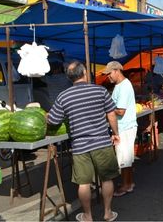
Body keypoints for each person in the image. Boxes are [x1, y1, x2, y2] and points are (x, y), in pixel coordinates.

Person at [47, 61, 119, 222]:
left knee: (84, 183)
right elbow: (111, 115)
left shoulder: (64, 96)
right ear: (85, 73)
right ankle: (107, 213)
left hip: (80, 146)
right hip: (102, 142)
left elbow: (53, 120)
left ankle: (88, 216)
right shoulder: (100, 91)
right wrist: (115, 133)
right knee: (107, 178)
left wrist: (45, 117)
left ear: (69, 78)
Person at [102, 61, 138, 198]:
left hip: (125, 127)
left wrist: (106, 110)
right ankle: (128, 183)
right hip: (125, 126)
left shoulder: (123, 86)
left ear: (117, 70)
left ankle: (126, 185)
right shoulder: (120, 85)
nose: (108, 77)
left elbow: (121, 111)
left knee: (124, 159)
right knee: (126, 158)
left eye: (109, 73)